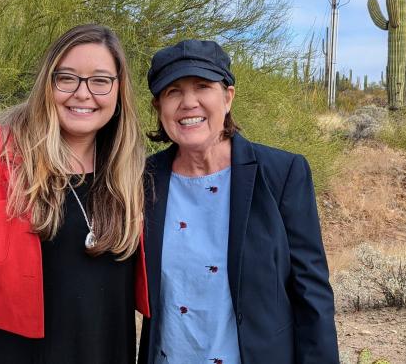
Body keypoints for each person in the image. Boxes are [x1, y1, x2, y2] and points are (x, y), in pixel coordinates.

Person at [0, 24, 150, 364]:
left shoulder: (133, 170)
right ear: (47, 83)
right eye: (67, 77)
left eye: (101, 80)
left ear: (119, 91)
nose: (83, 93)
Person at [137, 40, 339, 364]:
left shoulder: (282, 174)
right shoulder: (142, 179)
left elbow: (312, 294)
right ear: (159, 107)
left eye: (202, 86)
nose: (189, 102)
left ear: (227, 97)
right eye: (173, 91)